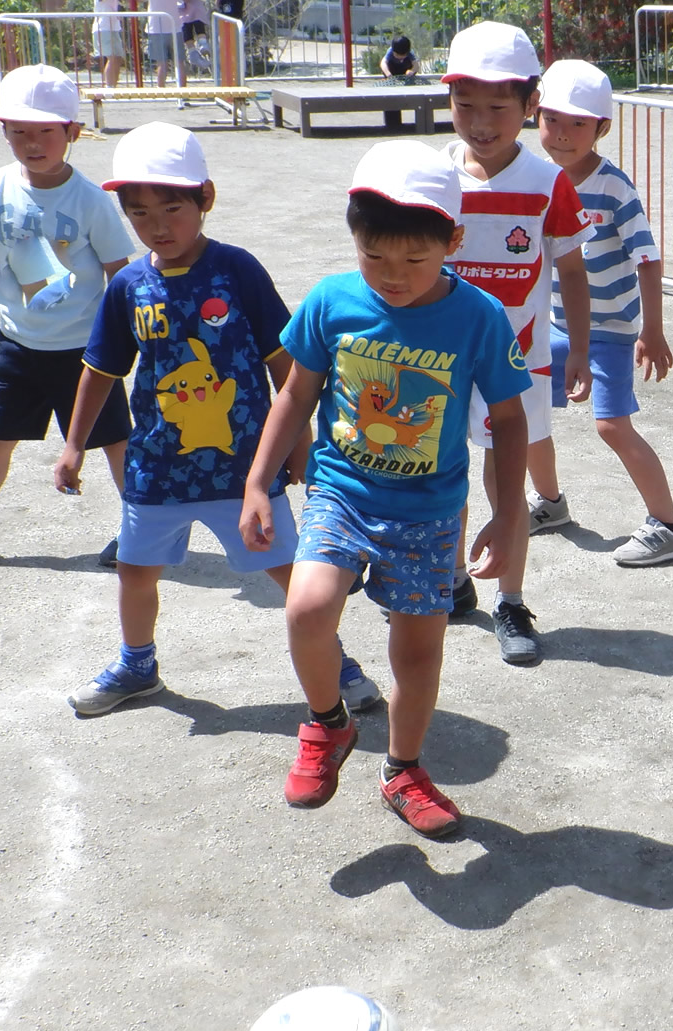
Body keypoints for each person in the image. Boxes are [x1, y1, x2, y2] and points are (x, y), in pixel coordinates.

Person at [238, 142, 530, 837]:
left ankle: (403, 768)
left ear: (453, 241)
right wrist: (258, 480)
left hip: (430, 512)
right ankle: (327, 724)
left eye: (414, 260)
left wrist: (507, 512)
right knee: (307, 608)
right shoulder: (330, 300)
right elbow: (295, 395)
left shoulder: (479, 316)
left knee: (418, 651)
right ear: (354, 236)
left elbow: (511, 417)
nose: (392, 276)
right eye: (376, 257)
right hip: (341, 491)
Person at [52, 122, 383, 718]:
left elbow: (288, 366)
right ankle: (137, 665)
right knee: (134, 572)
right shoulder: (128, 285)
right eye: (139, 211)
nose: (157, 224)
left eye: (172, 207)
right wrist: (74, 444)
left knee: (291, 576)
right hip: (156, 469)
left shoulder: (237, 271)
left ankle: (337, 662)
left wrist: (301, 449)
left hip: (243, 473)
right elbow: (101, 369)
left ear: (205, 197)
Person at [0, 64, 134, 571]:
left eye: (45, 132)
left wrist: (127, 338)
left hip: (86, 353)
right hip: (18, 345)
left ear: (72, 133)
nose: (32, 143)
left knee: (115, 443)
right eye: (19, 132)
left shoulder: (90, 200)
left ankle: (139, 529)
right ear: (3, 131)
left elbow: (118, 272)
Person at [435, 20, 594, 663]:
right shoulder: (435, 176)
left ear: (530, 105)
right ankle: (451, 581)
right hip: (441, 364)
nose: (480, 121)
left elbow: (573, 272)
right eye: (464, 104)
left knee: (508, 484)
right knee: (445, 477)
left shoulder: (547, 182)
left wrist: (577, 348)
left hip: (521, 365)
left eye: (498, 106)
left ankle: (511, 599)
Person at [529, 59, 673, 566]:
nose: (562, 134)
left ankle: (669, 526)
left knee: (611, 425)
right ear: (535, 114)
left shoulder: (614, 187)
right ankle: (551, 504)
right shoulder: (534, 179)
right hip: (555, 322)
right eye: (552, 119)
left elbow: (647, 257)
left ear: (601, 128)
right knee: (526, 408)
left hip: (612, 329)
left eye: (578, 123)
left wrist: (653, 329)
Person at [90, 0, 124, 88]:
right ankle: (109, 87)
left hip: (114, 28)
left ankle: (114, 87)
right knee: (112, 57)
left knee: (117, 58)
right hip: (103, 28)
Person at [145, 0, 178, 88]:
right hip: (175, 26)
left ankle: (161, 89)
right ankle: (183, 93)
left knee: (161, 63)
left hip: (156, 27)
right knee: (179, 62)